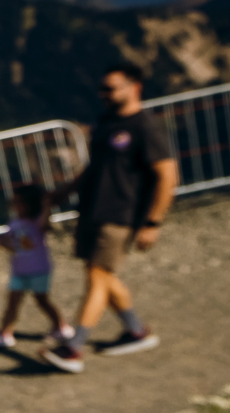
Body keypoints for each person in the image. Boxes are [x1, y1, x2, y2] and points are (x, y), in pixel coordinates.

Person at [42, 62, 176, 373]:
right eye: (102, 88)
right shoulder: (106, 123)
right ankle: (136, 331)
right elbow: (95, 168)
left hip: (122, 214)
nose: (104, 94)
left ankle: (73, 349)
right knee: (102, 275)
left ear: (134, 87)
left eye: (110, 88)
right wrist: (63, 192)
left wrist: (153, 222)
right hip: (92, 210)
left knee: (96, 277)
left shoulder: (145, 127)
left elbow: (167, 176)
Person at [0, 181, 72, 351]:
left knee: (42, 301)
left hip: (39, 271)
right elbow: (8, 244)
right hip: (19, 271)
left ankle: (61, 327)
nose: (14, 206)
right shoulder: (14, 223)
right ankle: (5, 334)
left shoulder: (37, 222)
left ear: (30, 204)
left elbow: (45, 225)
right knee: (12, 302)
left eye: (18, 202)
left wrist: (47, 205)